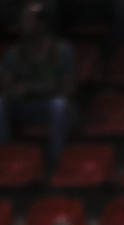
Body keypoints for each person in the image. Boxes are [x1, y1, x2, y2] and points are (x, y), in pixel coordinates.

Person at [0, 1, 73, 166]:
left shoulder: (61, 51)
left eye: (28, 20)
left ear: (42, 24)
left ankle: (56, 161)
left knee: (59, 105)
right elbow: (6, 87)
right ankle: (4, 158)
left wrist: (30, 89)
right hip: (23, 107)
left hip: (48, 107)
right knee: (0, 103)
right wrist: (14, 91)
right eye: (23, 20)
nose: (23, 24)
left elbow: (67, 89)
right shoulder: (14, 54)